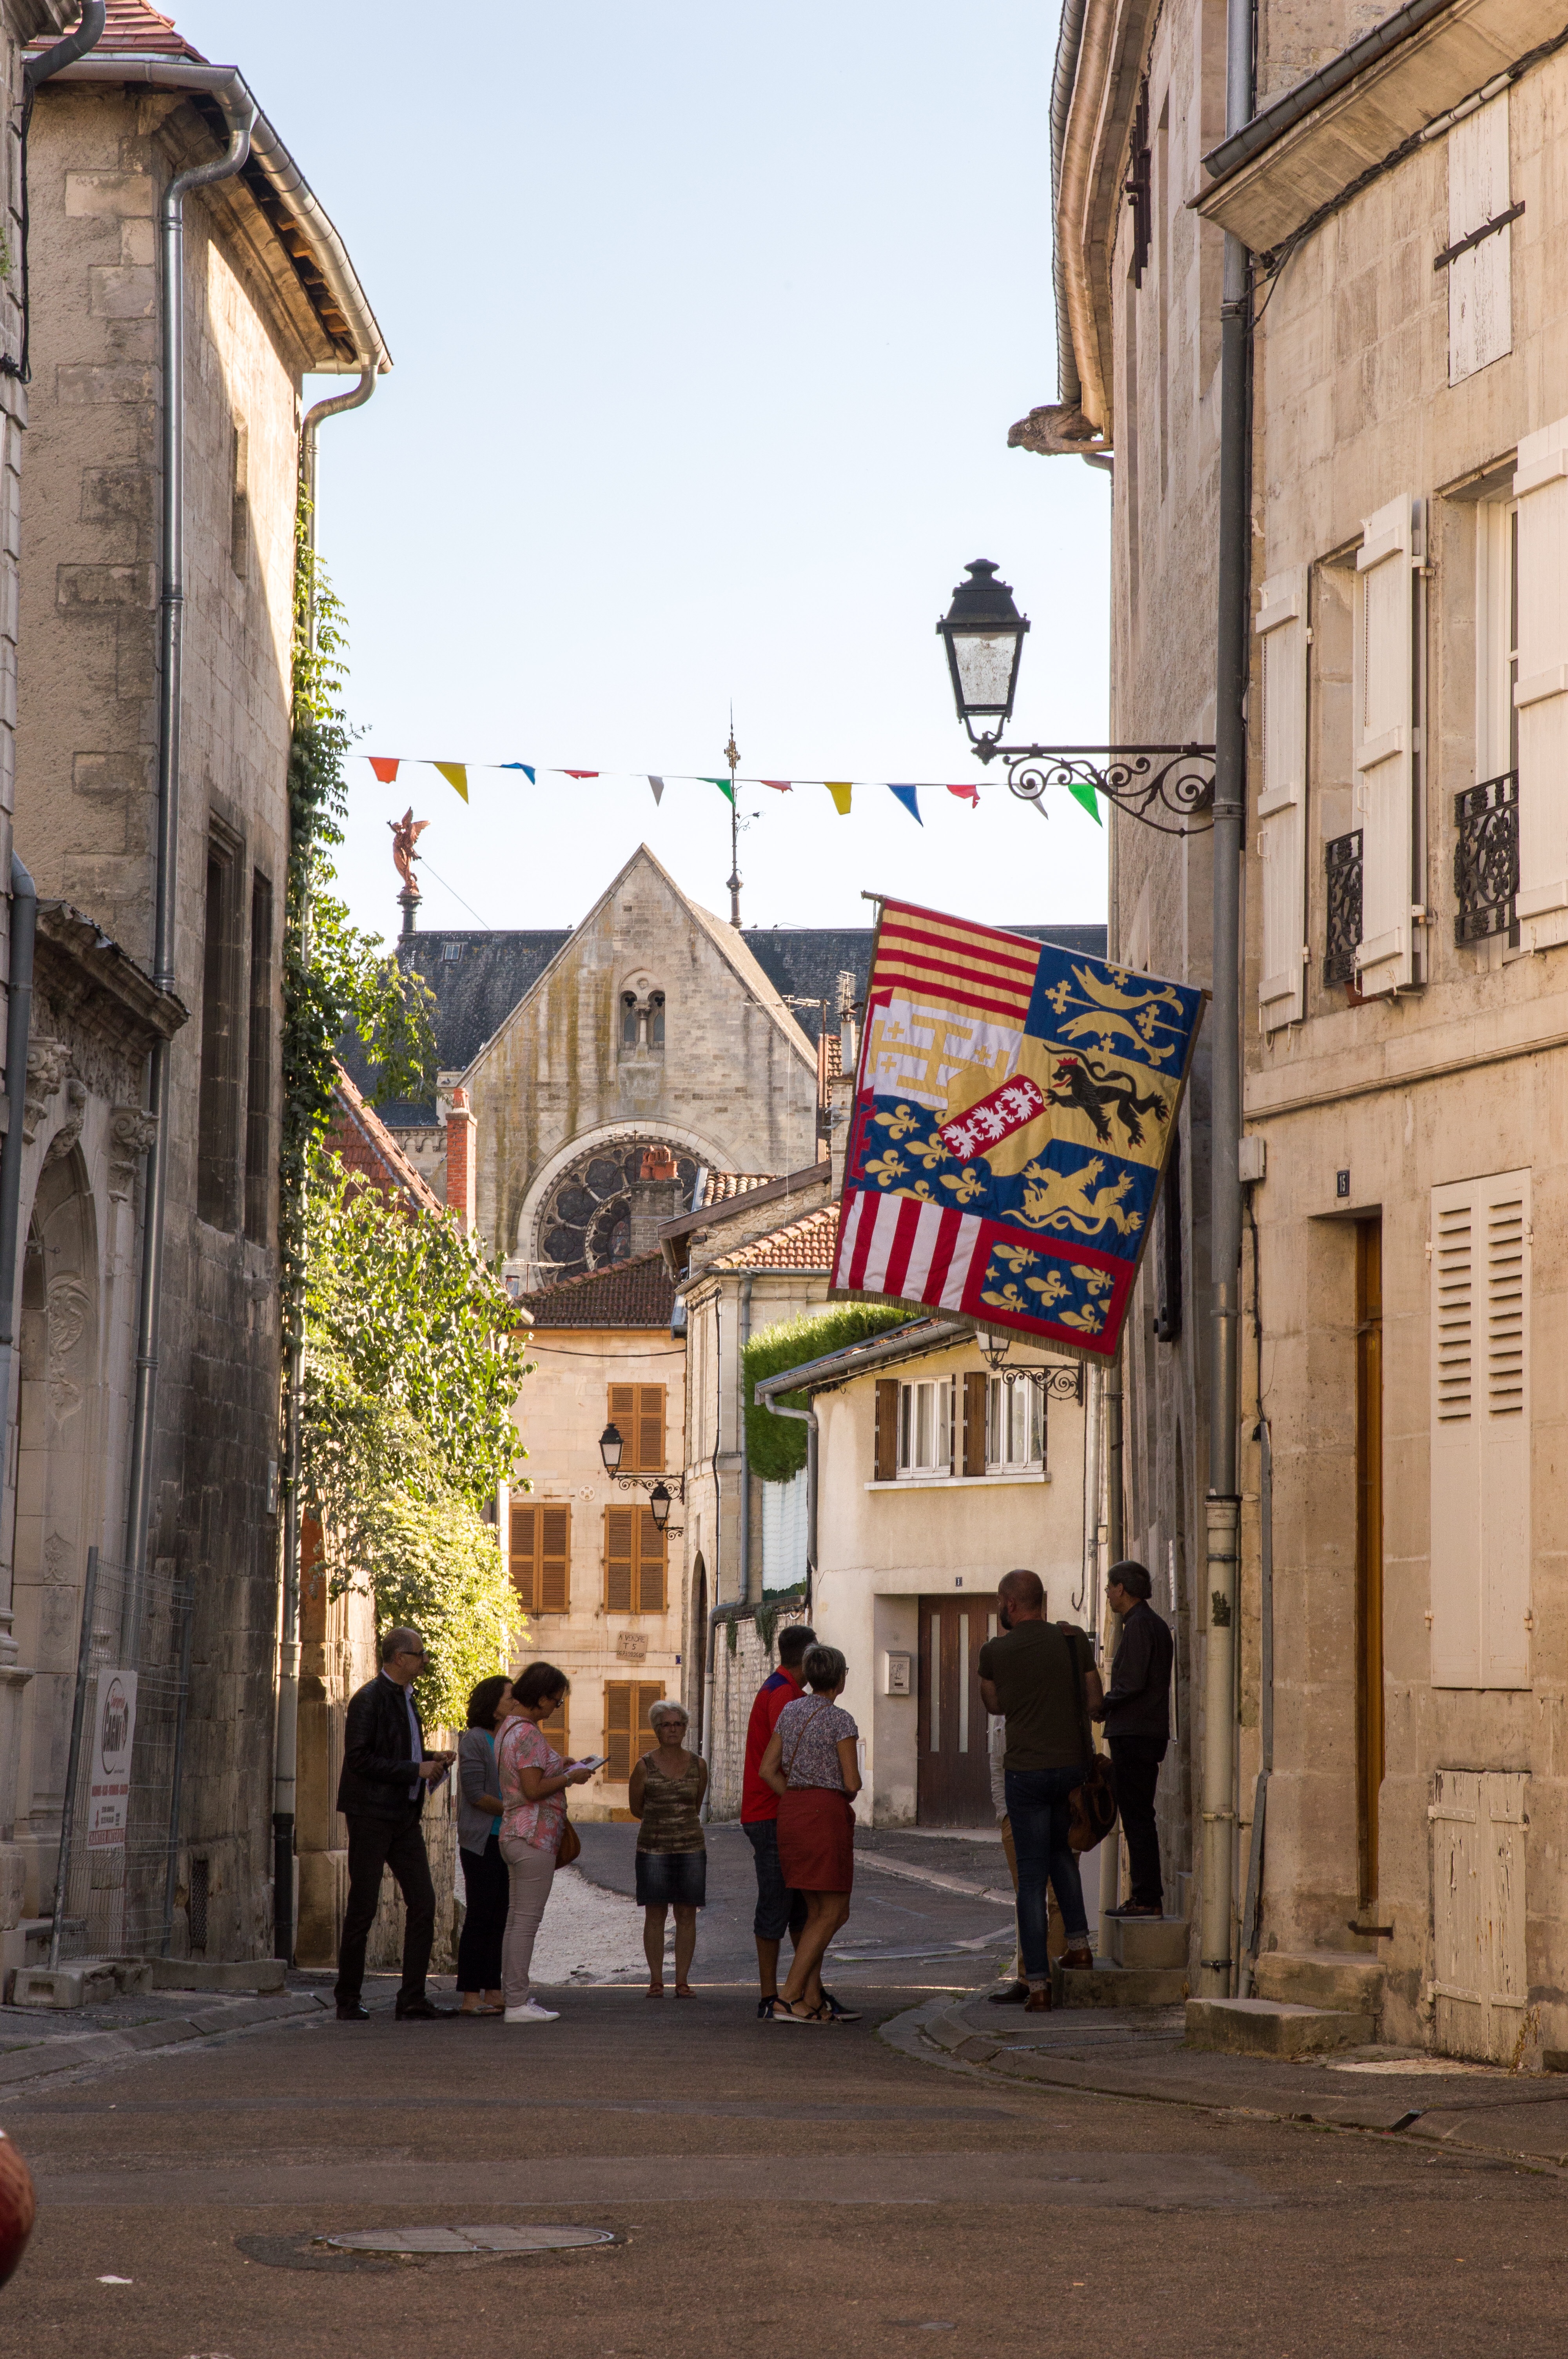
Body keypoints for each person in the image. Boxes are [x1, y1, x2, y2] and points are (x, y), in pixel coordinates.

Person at [977, 1570, 1103, 2013]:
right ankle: (1080, 1946)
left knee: (1031, 1880)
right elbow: (1094, 1701)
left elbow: (994, 1705)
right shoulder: (1073, 1641)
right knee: (1061, 1857)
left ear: (1010, 1604)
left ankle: (1037, 1984)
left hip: (1026, 1772)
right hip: (1070, 1766)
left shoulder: (994, 1651)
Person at [333, 1626, 457, 2022]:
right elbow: (359, 1759)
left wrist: (433, 1758)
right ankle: (348, 1998)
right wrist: (414, 1769)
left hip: (403, 1817)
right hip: (371, 1815)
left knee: (423, 1902)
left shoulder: (406, 1698)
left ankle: (412, 1997)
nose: (425, 1660)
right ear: (400, 1658)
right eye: (420, 1654)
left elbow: (400, 1751)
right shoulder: (368, 1699)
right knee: (364, 1906)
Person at [759, 1643, 863, 2025]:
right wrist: (830, 1792)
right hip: (825, 1817)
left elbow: (768, 1770)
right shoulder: (841, 1720)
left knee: (818, 1912)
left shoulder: (790, 1710)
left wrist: (798, 1796)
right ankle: (789, 1997)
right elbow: (851, 1781)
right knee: (834, 1909)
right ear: (839, 1677)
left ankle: (812, 1999)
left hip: (792, 1814)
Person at [495, 1661, 595, 2024]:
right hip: (534, 1834)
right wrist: (570, 1777)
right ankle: (517, 2003)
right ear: (540, 1698)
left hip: (513, 1832)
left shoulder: (509, 1729)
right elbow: (533, 1789)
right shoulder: (530, 1734)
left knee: (515, 1920)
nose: (557, 1708)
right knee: (525, 1922)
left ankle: (514, 1996)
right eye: (555, 1701)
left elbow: (528, 1775)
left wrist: (560, 1766)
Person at [1092, 1559, 1175, 1919]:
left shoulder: (1141, 1625)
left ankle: (1146, 1898)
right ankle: (1145, 1896)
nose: (1108, 1594)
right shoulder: (1147, 1624)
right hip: (1142, 1732)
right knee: (1139, 1815)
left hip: (1136, 1733)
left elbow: (1132, 1683)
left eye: (1110, 1588)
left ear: (1122, 1589)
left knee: (1138, 1817)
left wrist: (1104, 1706)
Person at [740, 1623, 815, 2017]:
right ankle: (772, 1995)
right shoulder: (784, 1694)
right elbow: (783, 1760)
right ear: (807, 1655)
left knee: (797, 1904)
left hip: (769, 1810)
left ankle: (800, 1991)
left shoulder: (777, 1687)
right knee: (777, 1902)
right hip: (771, 1813)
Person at [628, 1699, 708, 1997]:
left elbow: (696, 1804)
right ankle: (656, 1981)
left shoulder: (699, 1765)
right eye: (666, 1725)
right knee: (656, 1914)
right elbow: (637, 1809)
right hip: (653, 1850)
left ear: (685, 1729)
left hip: (691, 1849)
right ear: (657, 1730)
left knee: (688, 1914)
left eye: (677, 1724)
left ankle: (683, 1981)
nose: (672, 1729)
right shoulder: (643, 1766)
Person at [456, 1674, 523, 2015]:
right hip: (482, 1841)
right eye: (509, 1698)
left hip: (507, 1838)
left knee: (501, 1917)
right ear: (492, 1704)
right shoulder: (474, 1740)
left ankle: (493, 1990)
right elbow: (475, 1794)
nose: (514, 1703)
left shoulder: (510, 1739)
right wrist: (516, 1809)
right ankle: (470, 1995)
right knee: (480, 1916)